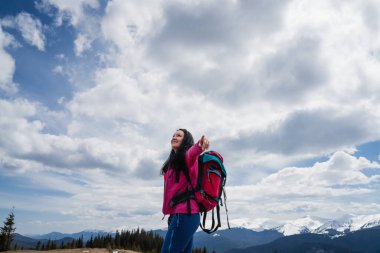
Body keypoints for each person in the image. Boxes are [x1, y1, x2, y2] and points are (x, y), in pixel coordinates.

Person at [160, 129, 210, 253]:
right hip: (182, 215)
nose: (174, 137)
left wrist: (199, 145)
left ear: (186, 140)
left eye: (178, 135)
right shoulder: (172, 165)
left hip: (184, 214)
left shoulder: (187, 158)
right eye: (173, 135)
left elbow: (192, 153)